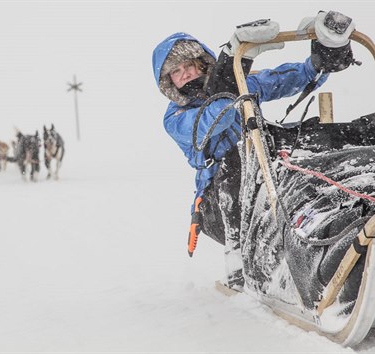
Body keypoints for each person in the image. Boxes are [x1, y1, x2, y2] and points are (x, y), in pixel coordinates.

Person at [152, 11, 357, 285]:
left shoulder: (239, 84)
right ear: (170, 84)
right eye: (176, 72)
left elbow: (283, 80)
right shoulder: (175, 118)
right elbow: (216, 118)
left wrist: (319, 63)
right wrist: (237, 61)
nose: (185, 73)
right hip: (220, 202)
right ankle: (238, 264)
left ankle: (336, 226)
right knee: (236, 157)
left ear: (202, 64)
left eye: (189, 64)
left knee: (303, 145)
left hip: (263, 178)